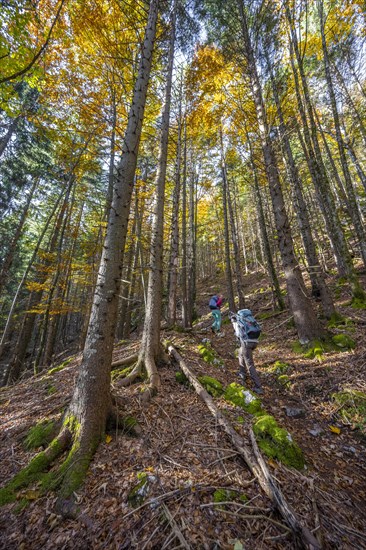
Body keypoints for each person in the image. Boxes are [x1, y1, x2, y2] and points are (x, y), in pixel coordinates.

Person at [230, 309, 263, 395]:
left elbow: (237, 334)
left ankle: (258, 387)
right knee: (241, 353)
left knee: (250, 364)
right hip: (255, 341)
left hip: (246, 343)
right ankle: (242, 373)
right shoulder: (249, 320)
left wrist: (234, 323)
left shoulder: (239, 321)